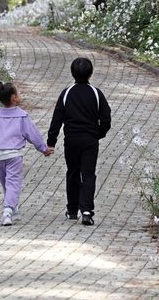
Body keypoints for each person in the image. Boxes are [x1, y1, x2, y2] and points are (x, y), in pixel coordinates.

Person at [0, 81, 53, 226]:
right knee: (13, 183)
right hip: (14, 155)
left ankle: (13, 209)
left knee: (6, 183)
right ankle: (7, 211)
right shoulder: (21, 116)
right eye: (18, 93)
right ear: (14, 98)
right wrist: (43, 149)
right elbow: (33, 134)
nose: (20, 95)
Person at [47, 57, 111, 226]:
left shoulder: (67, 93)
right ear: (91, 74)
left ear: (72, 73)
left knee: (73, 172)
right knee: (88, 174)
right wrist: (99, 134)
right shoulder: (96, 93)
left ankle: (72, 209)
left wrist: (51, 141)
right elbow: (106, 118)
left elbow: (57, 118)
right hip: (90, 140)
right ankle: (87, 211)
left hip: (72, 140)